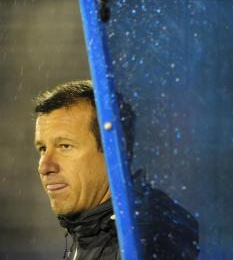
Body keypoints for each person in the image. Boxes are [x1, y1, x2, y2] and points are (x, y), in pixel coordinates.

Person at [34, 80, 199, 260]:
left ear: (112, 153)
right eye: (42, 149)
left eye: (65, 146)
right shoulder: (94, 230)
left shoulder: (143, 240)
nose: (45, 167)